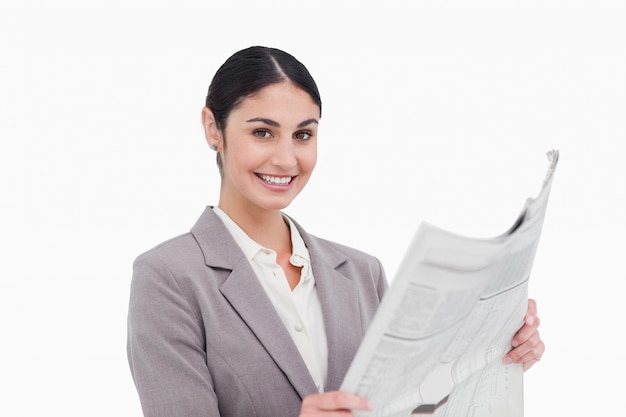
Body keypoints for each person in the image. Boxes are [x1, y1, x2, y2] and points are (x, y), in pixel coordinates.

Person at [126, 46, 545, 417]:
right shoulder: (168, 279)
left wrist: (496, 352)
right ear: (212, 129)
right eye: (262, 132)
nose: (286, 159)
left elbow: (407, 404)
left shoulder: (362, 273)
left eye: (303, 134)